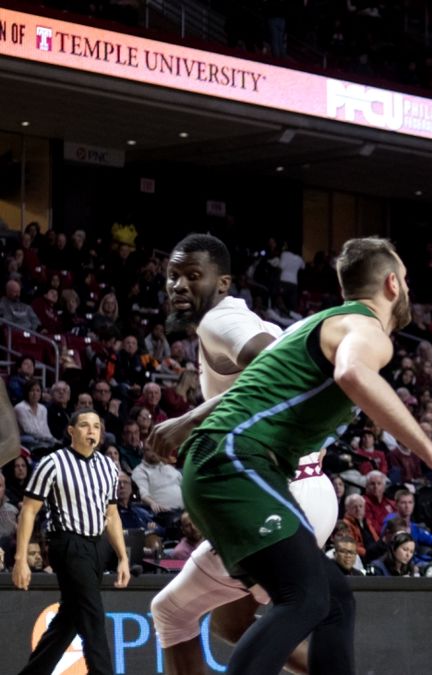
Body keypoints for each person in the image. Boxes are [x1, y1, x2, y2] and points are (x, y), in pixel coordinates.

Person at [176, 236, 432, 675]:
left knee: (334, 599)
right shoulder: (366, 329)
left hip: (222, 462)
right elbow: (353, 372)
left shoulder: (318, 323)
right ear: (393, 284)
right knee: (306, 597)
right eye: (408, 281)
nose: (409, 290)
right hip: (234, 460)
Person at [146, 234, 319, 675]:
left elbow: (276, 365)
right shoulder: (231, 318)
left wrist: (190, 419)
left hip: (278, 494)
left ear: (222, 284)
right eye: (173, 276)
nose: (179, 286)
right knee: (233, 621)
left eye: (192, 276)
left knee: (172, 613)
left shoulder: (218, 322)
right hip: (299, 487)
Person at [11, 410, 129, 675]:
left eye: (96, 426)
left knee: (70, 620)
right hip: (67, 544)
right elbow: (29, 510)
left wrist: (122, 557)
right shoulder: (52, 463)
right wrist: (21, 559)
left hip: (97, 546)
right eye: (85, 426)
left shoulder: (108, 467)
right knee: (93, 617)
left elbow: (111, 515)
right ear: (71, 431)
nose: (92, 431)